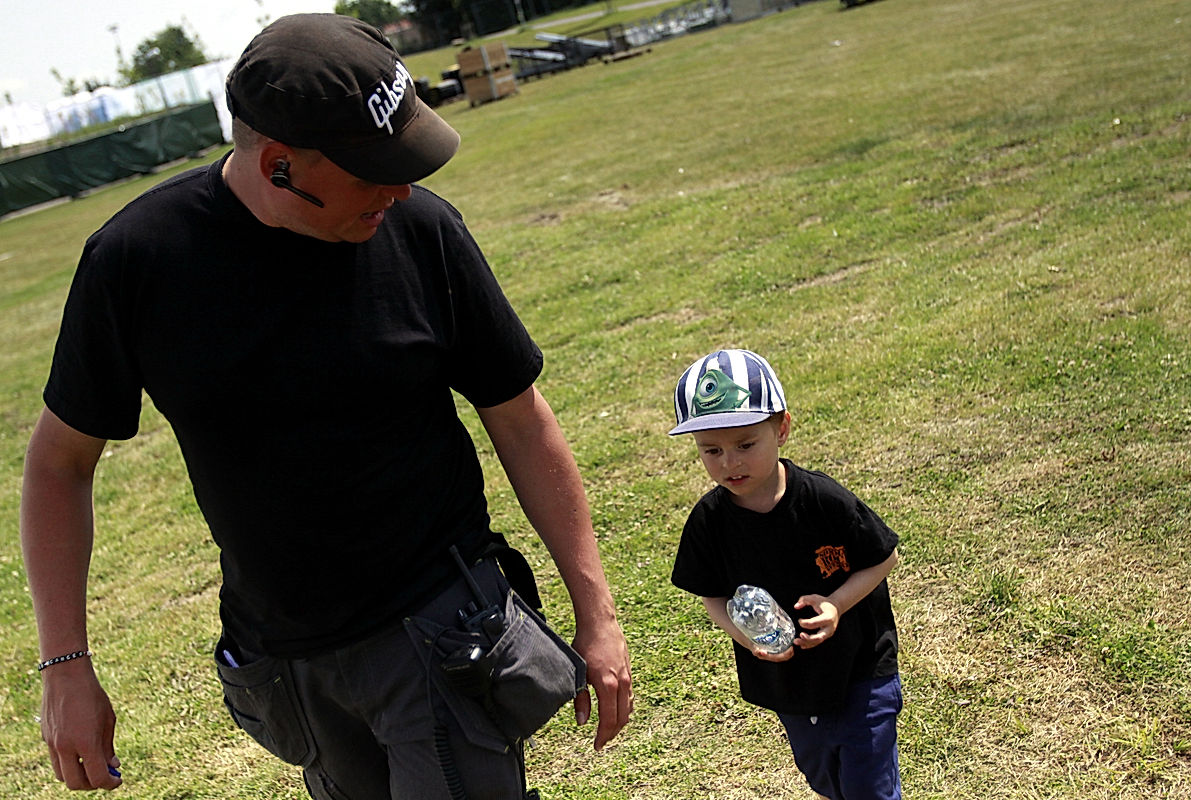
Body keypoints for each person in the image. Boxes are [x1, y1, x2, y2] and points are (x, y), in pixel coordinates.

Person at [20, 14, 631, 799]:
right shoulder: (139, 262)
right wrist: (66, 666)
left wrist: (598, 611)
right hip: (286, 663)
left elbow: (520, 416)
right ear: (279, 166)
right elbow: (59, 463)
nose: (402, 187)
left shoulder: (420, 231)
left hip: (440, 630)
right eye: (374, 168)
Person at [668, 348, 901, 800]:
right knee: (825, 778)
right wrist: (749, 638)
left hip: (860, 669)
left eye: (745, 445)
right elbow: (712, 596)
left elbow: (883, 557)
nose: (729, 463)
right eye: (710, 450)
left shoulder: (822, 500)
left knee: (869, 788)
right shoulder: (708, 522)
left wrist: (836, 604)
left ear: (783, 429)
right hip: (791, 685)